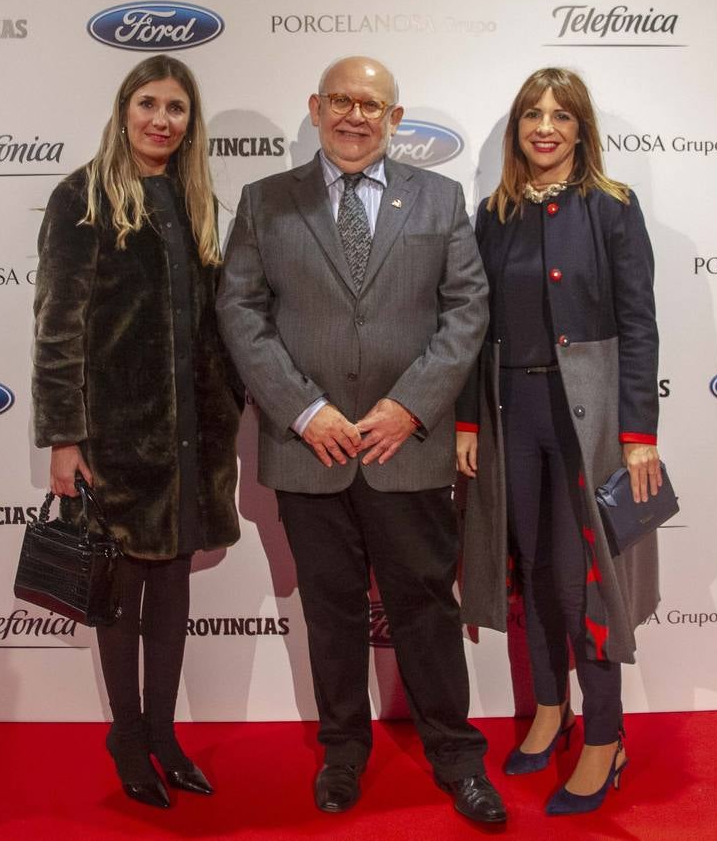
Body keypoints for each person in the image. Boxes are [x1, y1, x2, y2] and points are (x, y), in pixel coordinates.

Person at [216, 56, 505, 824]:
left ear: (395, 119)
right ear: (315, 107)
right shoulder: (264, 202)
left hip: (403, 448)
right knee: (332, 612)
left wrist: (410, 407)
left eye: (371, 105)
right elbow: (241, 314)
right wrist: (305, 412)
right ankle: (343, 752)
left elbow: (467, 312)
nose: (355, 116)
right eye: (341, 100)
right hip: (309, 451)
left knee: (426, 610)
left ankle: (455, 753)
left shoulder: (440, 200)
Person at [31, 55, 241, 809]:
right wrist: (64, 437)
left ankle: (164, 734)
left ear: (191, 122)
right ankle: (127, 733)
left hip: (193, 438)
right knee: (121, 596)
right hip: (119, 436)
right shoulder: (80, 196)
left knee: (175, 587)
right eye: (149, 103)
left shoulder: (197, 200)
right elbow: (58, 329)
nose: (162, 119)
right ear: (124, 111)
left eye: (177, 107)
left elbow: (217, 321)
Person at [455, 66, 663, 817]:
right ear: (517, 129)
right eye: (532, 115)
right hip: (515, 413)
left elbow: (639, 323)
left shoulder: (612, 208)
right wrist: (469, 420)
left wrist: (640, 433)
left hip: (593, 422)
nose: (545, 127)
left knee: (585, 587)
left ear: (581, 128)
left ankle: (604, 737)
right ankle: (550, 709)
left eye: (561, 115)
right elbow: (473, 328)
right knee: (532, 572)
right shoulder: (494, 213)